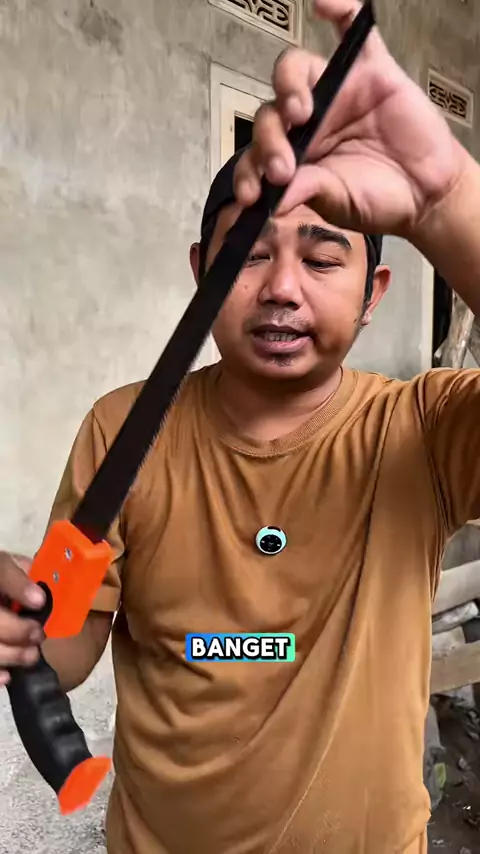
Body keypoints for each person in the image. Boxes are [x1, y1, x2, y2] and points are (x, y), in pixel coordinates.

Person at [1, 0, 480, 851]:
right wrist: (23, 630)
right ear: (202, 273)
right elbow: (69, 648)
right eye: (249, 254)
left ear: (373, 294)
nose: (282, 287)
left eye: (323, 257)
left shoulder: (423, 429)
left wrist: (447, 202)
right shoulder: (122, 429)